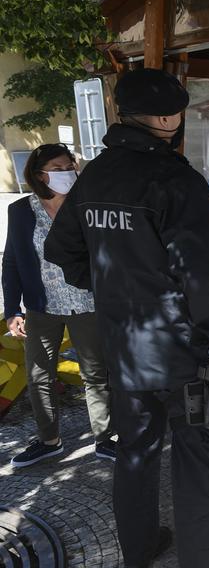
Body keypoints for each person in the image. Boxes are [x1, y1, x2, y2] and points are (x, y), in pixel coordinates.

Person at [44, 67, 209, 568]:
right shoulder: (176, 180)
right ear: (170, 118)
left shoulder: (94, 177)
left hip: (124, 345)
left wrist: (116, 289)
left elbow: (62, 252)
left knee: (136, 450)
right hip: (183, 348)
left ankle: (139, 550)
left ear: (123, 113)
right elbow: (199, 274)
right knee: (197, 452)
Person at [2, 144, 115, 467]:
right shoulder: (21, 211)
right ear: (40, 175)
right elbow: (12, 261)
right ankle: (48, 440)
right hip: (41, 306)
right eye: (58, 168)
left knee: (96, 374)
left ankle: (106, 439)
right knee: (38, 375)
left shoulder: (87, 206)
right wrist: (13, 310)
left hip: (87, 302)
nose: (67, 173)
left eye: (70, 167)